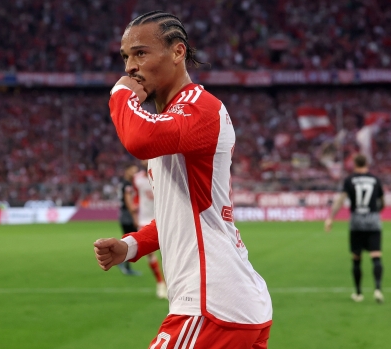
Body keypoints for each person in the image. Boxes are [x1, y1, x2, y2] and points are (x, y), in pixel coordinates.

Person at [93, 11, 272, 348]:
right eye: (125, 57)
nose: (130, 66)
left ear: (177, 52)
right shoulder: (174, 123)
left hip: (211, 303)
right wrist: (130, 246)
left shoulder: (199, 106)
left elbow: (138, 140)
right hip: (229, 304)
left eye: (141, 53)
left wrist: (120, 94)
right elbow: (181, 217)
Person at [325, 154, 385, 303]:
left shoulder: (350, 180)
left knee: (356, 259)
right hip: (373, 221)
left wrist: (331, 218)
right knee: (376, 256)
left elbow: (340, 200)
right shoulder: (375, 180)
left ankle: (358, 293)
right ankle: (377, 290)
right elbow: (382, 202)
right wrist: (375, 212)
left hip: (356, 222)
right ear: (367, 163)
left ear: (354, 164)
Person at [133, 159, 168, 299]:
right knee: (150, 253)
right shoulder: (137, 179)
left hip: (164, 218)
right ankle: (160, 283)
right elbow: (136, 197)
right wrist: (135, 212)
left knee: (167, 254)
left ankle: (170, 283)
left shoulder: (163, 173)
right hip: (144, 219)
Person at [117, 164, 141, 276]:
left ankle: (123, 263)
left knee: (128, 239)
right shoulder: (128, 185)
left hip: (123, 214)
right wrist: (134, 214)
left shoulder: (124, 183)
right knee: (130, 240)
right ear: (127, 171)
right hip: (127, 215)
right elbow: (128, 202)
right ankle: (124, 264)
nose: (135, 174)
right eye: (133, 170)